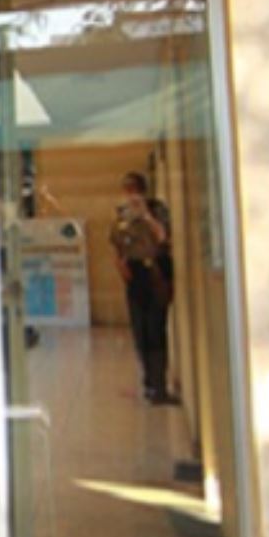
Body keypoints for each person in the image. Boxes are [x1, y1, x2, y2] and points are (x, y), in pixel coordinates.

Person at [111, 170, 177, 404]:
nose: (130, 195)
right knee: (140, 330)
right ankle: (148, 382)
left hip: (156, 272)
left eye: (134, 189)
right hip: (135, 274)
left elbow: (163, 238)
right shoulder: (122, 214)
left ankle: (160, 386)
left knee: (155, 329)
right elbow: (117, 244)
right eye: (127, 190)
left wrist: (146, 215)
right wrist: (121, 266)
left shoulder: (157, 210)